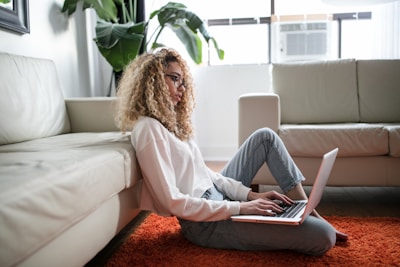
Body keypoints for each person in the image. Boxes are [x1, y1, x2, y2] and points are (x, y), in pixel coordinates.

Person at [115, 48, 347, 256]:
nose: (182, 88)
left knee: (265, 136)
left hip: (218, 197)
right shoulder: (148, 129)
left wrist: (249, 196)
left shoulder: (170, 123)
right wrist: (240, 207)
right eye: (175, 79)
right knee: (323, 236)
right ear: (153, 80)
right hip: (204, 223)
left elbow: (207, 174)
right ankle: (307, 218)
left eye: (183, 81)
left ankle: (306, 209)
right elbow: (172, 201)